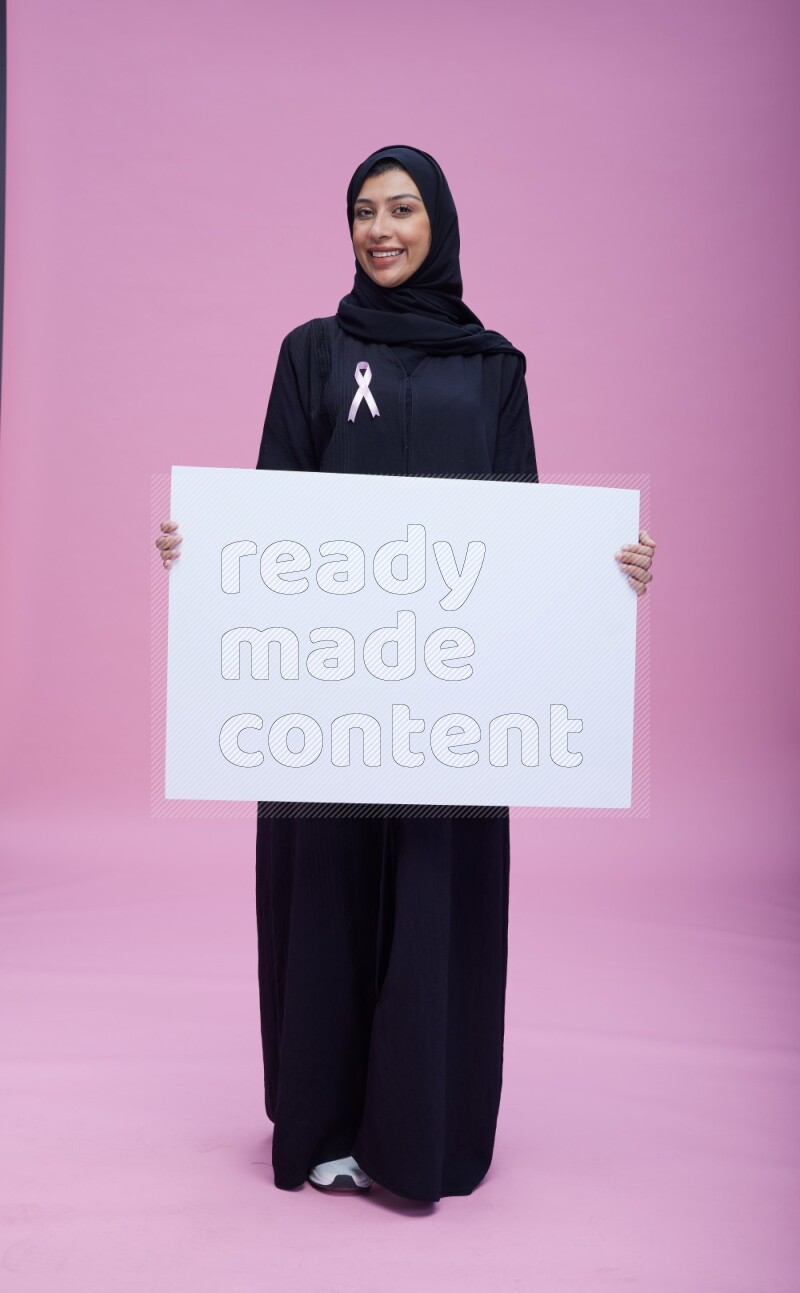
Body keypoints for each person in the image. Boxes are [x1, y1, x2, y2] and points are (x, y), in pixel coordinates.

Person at [155, 144, 656, 1202]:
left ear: (439, 224)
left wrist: (606, 572)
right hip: (326, 698)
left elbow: (525, 534)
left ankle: (415, 1138)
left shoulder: (494, 370)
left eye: (400, 209)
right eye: (361, 211)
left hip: (452, 708)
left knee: (432, 905)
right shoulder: (311, 353)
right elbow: (270, 513)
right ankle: (325, 1129)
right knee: (326, 904)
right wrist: (204, 554)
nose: (379, 229)